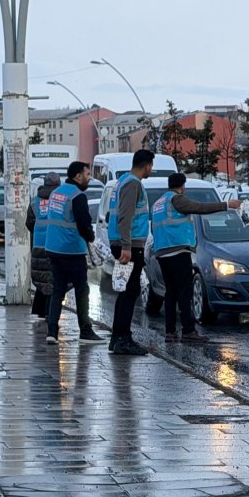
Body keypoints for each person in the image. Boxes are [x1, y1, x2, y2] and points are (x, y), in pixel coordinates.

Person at [152, 173, 242, 341]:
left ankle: (170, 332)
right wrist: (227, 205)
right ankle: (188, 331)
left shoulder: (158, 203)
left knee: (170, 292)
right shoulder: (176, 199)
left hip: (162, 252)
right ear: (182, 186)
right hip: (178, 250)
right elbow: (199, 207)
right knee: (185, 292)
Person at [44, 162, 103, 345]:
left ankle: (52, 331)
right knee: (81, 290)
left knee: (58, 290)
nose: (89, 178)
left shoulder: (56, 193)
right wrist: (91, 238)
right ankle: (85, 330)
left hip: (53, 248)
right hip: (72, 249)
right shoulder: (77, 196)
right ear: (78, 176)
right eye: (87, 174)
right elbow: (84, 224)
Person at [107, 149, 155, 356]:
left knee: (128, 292)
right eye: (151, 166)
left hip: (126, 243)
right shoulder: (132, 184)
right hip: (129, 245)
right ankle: (121, 339)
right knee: (129, 292)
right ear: (146, 165)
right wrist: (126, 246)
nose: (151, 170)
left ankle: (119, 337)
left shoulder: (123, 181)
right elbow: (125, 217)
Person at [26, 172, 60, 320]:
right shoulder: (59, 201)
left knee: (42, 278)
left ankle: (40, 310)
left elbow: (29, 224)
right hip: (56, 244)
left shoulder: (34, 202)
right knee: (54, 279)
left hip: (38, 245)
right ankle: (48, 312)